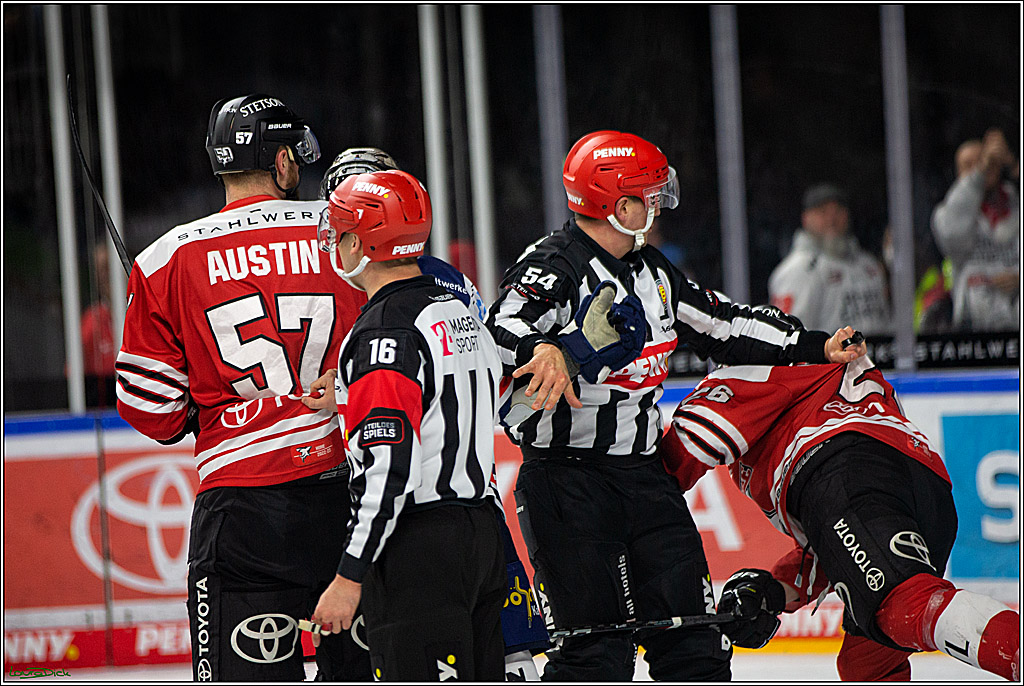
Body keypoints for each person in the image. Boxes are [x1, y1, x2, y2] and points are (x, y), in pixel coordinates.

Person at [485, 130, 868, 681]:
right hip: (567, 484)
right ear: (618, 206)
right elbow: (500, 329)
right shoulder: (555, 264)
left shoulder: (653, 271)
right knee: (597, 652)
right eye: (649, 195)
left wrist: (815, 345)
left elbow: (726, 325)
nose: (659, 204)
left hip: (646, 479)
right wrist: (542, 346)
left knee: (694, 644)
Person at [115, 93, 369, 681]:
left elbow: (150, 409)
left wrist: (199, 411)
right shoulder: (347, 233)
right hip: (348, 494)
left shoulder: (163, 260)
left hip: (241, 507)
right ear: (283, 163)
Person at [660, 306, 1020, 681]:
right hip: (926, 488)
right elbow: (840, 540)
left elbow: (677, 462)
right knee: (866, 663)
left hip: (839, 471)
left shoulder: (751, 372)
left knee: (903, 604)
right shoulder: (830, 366)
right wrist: (771, 594)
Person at [311, 146, 550, 680]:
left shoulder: (382, 332)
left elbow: (390, 466)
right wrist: (354, 395)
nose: (333, 242)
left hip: (418, 548)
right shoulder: (456, 309)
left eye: (340, 230)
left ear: (360, 240)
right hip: (482, 532)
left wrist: (350, 577)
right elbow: (461, 404)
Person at [768, 183, 891, 336]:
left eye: (838, 211)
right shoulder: (797, 270)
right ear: (806, 219)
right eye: (823, 212)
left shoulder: (868, 265)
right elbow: (786, 336)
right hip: (830, 359)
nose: (831, 219)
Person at [931, 128, 1019, 332]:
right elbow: (953, 235)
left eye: (983, 161)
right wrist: (978, 175)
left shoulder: (1016, 204)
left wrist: (1013, 166)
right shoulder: (946, 213)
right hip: (973, 333)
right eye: (968, 166)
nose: (979, 169)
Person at [82, 243, 117, 407]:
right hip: (106, 406)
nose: (104, 277)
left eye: (108, 268)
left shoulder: (147, 313)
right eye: (100, 270)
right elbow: (76, 375)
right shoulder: (91, 321)